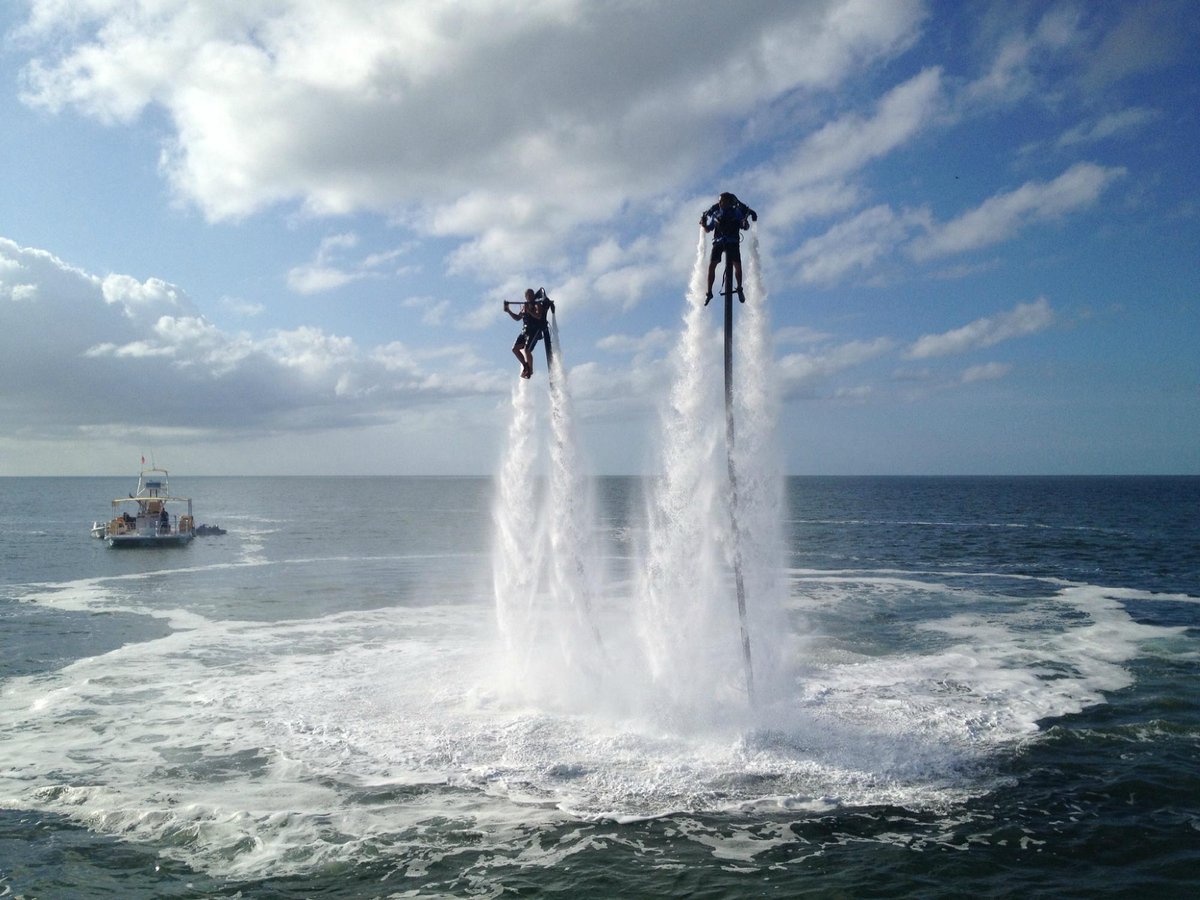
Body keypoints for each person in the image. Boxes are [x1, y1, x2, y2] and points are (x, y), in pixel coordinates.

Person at [700, 192, 757, 304]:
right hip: (718, 242)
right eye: (720, 201)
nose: (721, 203)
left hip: (732, 241)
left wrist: (745, 223)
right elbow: (708, 229)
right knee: (712, 266)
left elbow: (744, 226)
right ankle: (709, 292)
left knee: (737, 265)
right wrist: (703, 224)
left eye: (723, 201)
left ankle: (739, 288)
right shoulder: (716, 214)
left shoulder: (736, 213)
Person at [505, 288, 555, 378]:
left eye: (531, 295)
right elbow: (517, 318)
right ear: (526, 297)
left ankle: (530, 370)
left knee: (527, 350)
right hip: (525, 331)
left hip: (535, 330)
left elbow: (539, 316)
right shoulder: (525, 306)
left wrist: (530, 311)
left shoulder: (537, 305)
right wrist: (508, 310)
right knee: (514, 348)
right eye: (528, 295)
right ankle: (525, 366)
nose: (530, 297)